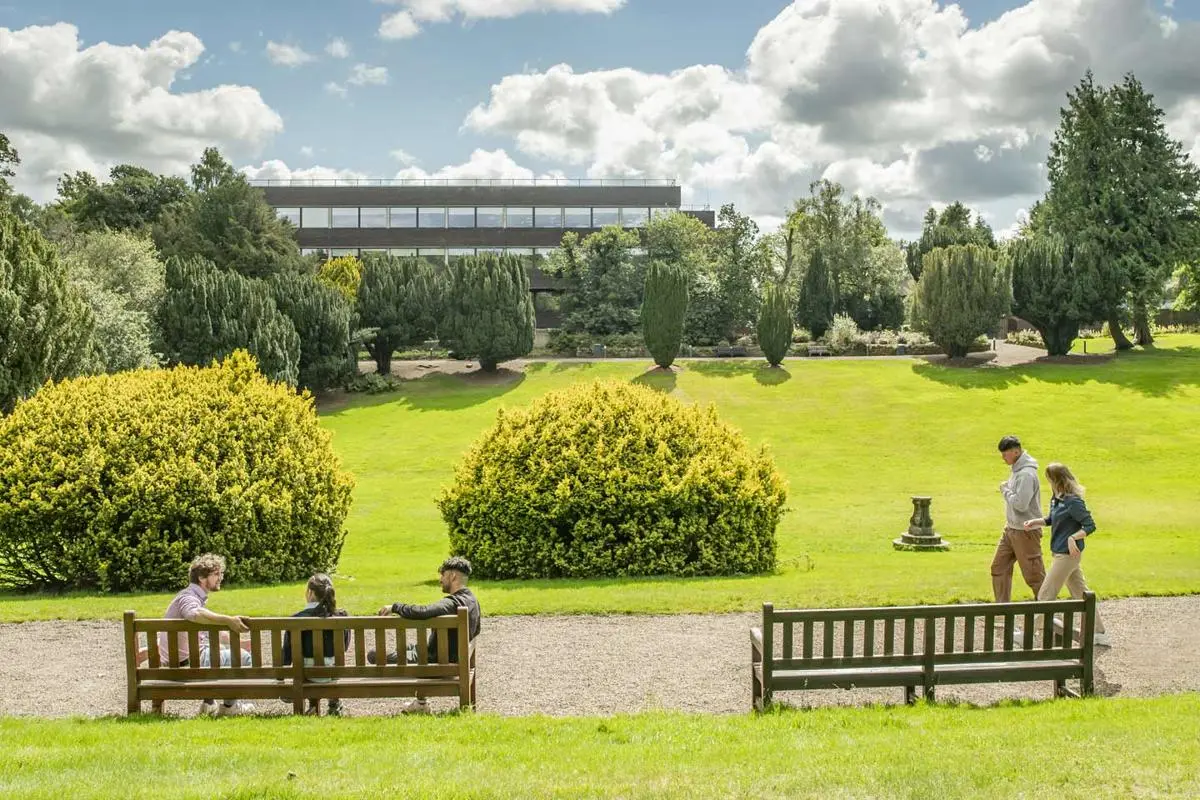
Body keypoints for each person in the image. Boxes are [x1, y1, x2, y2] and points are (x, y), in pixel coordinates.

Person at [368, 556, 482, 714]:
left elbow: (424, 611)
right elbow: (476, 631)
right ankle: (420, 703)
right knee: (408, 649)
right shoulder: (473, 601)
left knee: (374, 655)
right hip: (456, 659)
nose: (440, 580)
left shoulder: (453, 603)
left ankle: (420, 703)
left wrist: (395, 607)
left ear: (453, 576)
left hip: (435, 661)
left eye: (442, 575)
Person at [1024, 463, 1112, 647]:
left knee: (1046, 592)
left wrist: (1074, 537)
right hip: (1060, 553)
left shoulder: (1073, 502)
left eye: (1049, 480)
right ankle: (1099, 632)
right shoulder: (1057, 500)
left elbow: (1089, 525)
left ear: (1056, 480)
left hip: (1067, 555)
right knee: (1081, 593)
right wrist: (1036, 522)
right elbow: (1052, 519)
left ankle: (1029, 633)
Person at [162, 553, 255, 716]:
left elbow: (203, 631)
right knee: (244, 657)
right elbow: (194, 613)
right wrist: (228, 620)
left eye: (221, 573)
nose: (221, 578)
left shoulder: (187, 596)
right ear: (201, 577)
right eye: (217, 574)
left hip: (177, 663)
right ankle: (229, 707)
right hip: (188, 666)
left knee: (218, 651)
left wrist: (235, 641)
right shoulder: (188, 598)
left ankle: (209, 703)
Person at [281, 573, 351, 716]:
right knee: (331, 661)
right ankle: (334, 704)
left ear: (310, 593)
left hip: (305, 673)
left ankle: (311, 707)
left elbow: (287, 656)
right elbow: (344, 647)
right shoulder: (341, 617)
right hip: (333, 673)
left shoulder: (296, 619)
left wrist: (280, 678)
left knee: (305, 663)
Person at [991, 435, 1046, 604]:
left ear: (1016, 452)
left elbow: (1021, 504)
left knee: (1034, 575)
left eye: (1005, 454)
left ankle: (1048, 611)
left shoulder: (1026, 475)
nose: (1003, 458)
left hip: (1026, 532)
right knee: (998, 568)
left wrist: (1005, 490)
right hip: (1011, 529)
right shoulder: (1016, 469)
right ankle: (1002, 612)